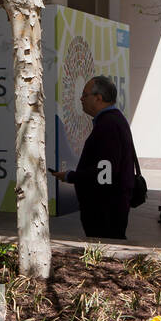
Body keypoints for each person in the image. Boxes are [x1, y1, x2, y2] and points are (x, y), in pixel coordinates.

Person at [51, 75, 137, 239]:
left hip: (105, 208)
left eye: (85, 94)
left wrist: (71, 176)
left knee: (105, 247)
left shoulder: (108, 125)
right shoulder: (114, 120)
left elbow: (105, 172)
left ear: (99, 98)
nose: (81, 99)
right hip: (110, 205)